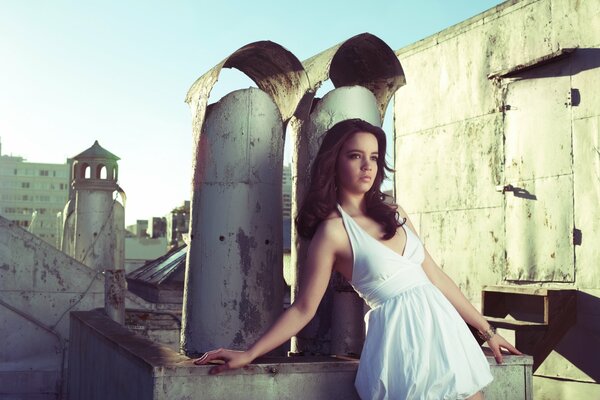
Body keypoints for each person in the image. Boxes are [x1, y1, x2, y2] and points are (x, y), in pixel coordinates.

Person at [195, 118, 521, 399]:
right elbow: (304, 307)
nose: (368, 166)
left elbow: (434, 275)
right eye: (355, 156)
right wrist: (251, 353)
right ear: (335, 162)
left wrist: (487, 331)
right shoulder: (333, 232)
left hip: (446, 334)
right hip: (402, 343)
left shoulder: (394, 211)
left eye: (374, 157)